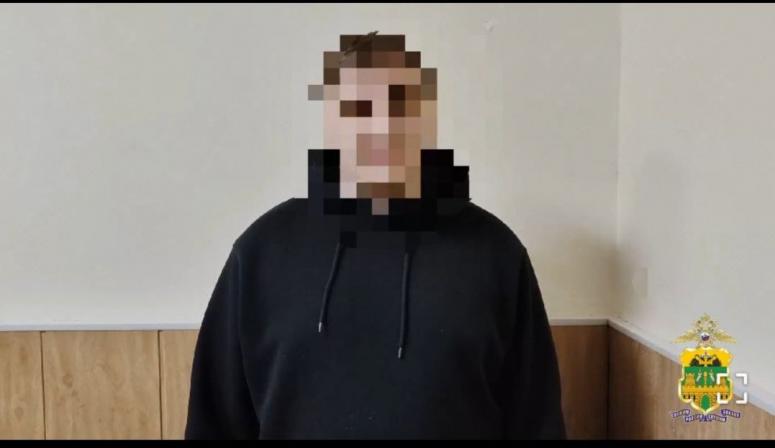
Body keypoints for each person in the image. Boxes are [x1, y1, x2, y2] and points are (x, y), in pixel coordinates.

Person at [184, 32, 566, 440]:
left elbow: (536, 423)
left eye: (399, 104)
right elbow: (214, 424)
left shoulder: (496, 255)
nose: (383, 126)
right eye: (361, 108)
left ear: (426, 118)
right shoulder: (261, 253)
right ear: (331, 121)